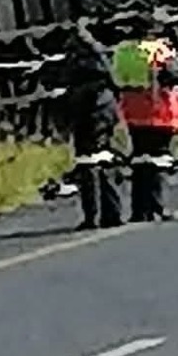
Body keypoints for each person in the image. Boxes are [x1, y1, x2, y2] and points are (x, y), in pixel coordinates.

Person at [112, 18, 178, 223]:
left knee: (139, 158)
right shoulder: (158, 49)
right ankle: (159, 206)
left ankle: (139, 210)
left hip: (132, 109)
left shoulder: (122, 51)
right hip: (159, 111)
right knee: (159, 159)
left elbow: (117, 78)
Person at [59, 19, 124, 230]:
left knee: (88, 165)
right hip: (103, 110)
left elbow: (65, 81)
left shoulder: (78, 58)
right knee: (102, 161)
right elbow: (115, 81)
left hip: (90, 113)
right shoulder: (100, 53)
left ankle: (93, 216)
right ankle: (111, 213)